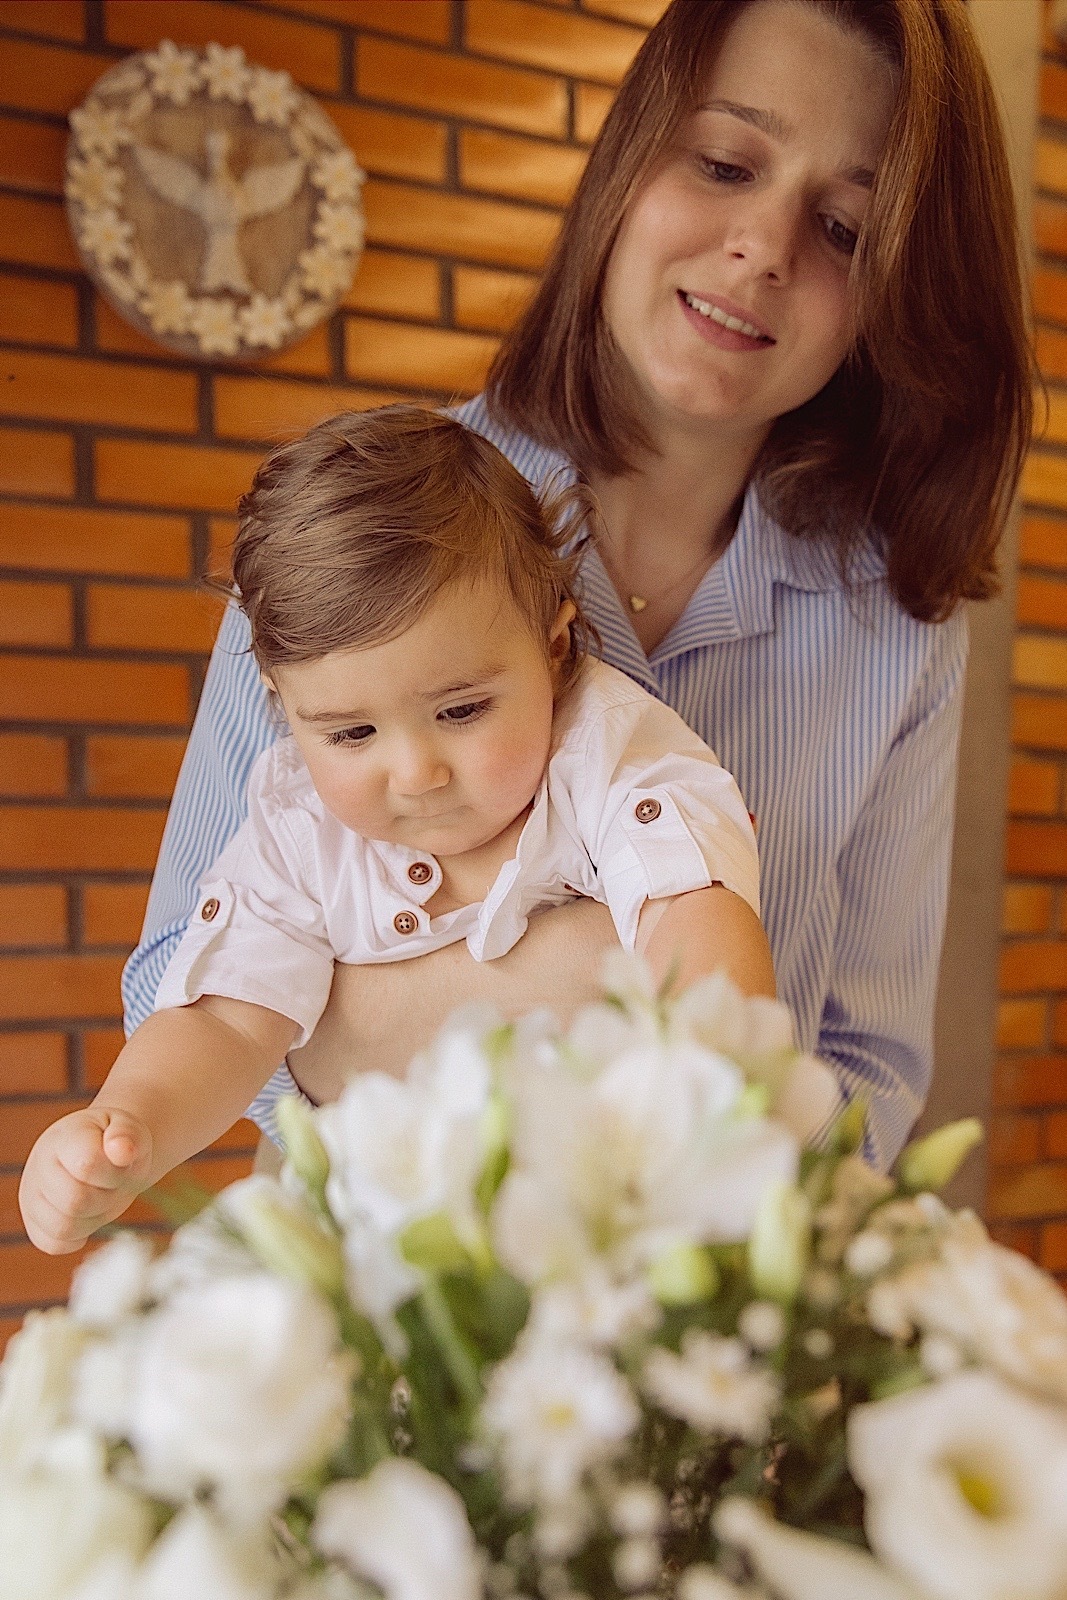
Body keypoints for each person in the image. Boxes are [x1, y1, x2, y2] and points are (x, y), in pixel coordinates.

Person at [120, 0, 1031, 1176]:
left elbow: (869, 1067)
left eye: (845, 227)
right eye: (721, 162)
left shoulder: (896, 626)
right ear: (628, 160)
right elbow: (176, 985)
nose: (762, 246)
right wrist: (587, 981)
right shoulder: (351, 544)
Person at [19, 406, 771, 1255]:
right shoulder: (297, 824)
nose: (416, 774)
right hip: (370, 1237)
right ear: (280, 705)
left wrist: (721, 1096)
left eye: (460, 709)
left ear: (553, 648)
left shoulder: (606, 749)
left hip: (596, 1218)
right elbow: (229, 1021)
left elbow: (692, 911)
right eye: (349, 735)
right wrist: (127, 1126)